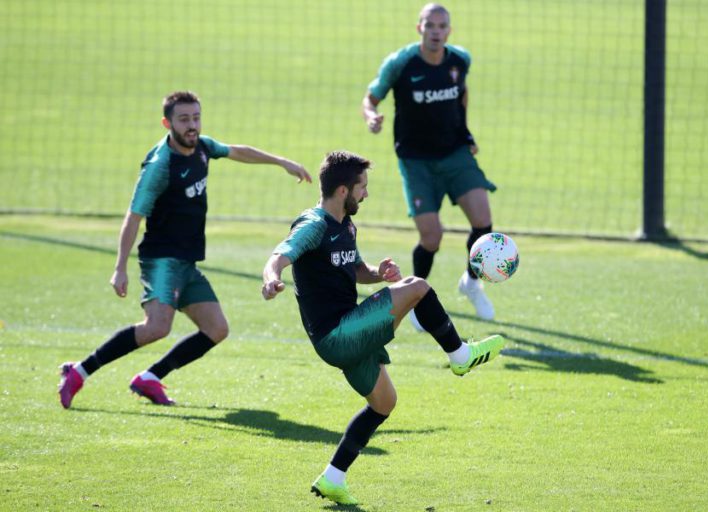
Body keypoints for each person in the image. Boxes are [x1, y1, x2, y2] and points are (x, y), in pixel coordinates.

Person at [262, 150, 504, 505]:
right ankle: (461, 355)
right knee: (418, 286)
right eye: (362, 187)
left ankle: (333, 477)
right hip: (338, 334)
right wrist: (271, 279)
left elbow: (354, 268)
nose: (367, 194)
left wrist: (377, 273)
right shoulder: (314, 225)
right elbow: (279, 256)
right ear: (343, 190)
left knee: (384, 403)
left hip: (345, 331)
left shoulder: (345, 225)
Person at [57, 90, 312, 409]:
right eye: (184, 119)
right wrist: (120, 266)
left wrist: (281, 162)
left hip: (186, 261)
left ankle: (150, 378)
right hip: (161, 259)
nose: (192, 125)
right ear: (168, 123)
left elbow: (237, 151)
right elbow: (133, 216)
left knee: (217, 329)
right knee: (156, 328)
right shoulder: (160, 167)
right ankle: (77, 371)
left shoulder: (202, 147)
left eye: (196, 117)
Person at [362, 3, 498, 329]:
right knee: (432, 237)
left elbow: (461, 94)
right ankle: (415, 299)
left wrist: (465, 131)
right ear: (419, 28)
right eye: (430, 25)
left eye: (442, 26)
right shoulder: (401, 63)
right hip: (416, 160)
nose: (436, 31)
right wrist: (371, 116)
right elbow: (371, 97)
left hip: (455, 154)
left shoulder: (459, 60)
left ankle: (471, 281)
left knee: (483, 222)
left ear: (449, 31)